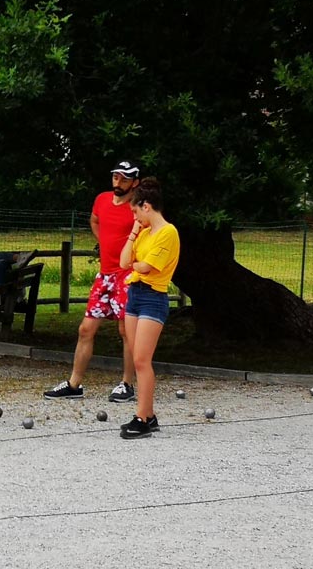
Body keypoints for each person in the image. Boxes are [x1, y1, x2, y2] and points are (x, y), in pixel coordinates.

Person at [45, 161, 140, 402]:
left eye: (124, 179)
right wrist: (104, 241)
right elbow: (94, 220)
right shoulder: (102, 199)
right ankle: (74, 384)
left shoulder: (138, 207)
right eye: (116, 177)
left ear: (134, 182)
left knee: (126, 330)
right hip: (105, 274)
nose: (118, 182)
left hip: (127, 275)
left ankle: (127, 383)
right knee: (86, 329)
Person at [118, 177, 180, 439]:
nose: (135, 217)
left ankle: (142, 418)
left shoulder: (168, 232)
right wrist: (133, 232)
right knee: (136, 358)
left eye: (135, 211)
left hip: (153, 297)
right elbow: (123, 261)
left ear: (146, 206)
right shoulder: (143, 232)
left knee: (142, 360)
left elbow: (147, 267)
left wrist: (135, 265)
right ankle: (149, 414)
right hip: (135, 294)